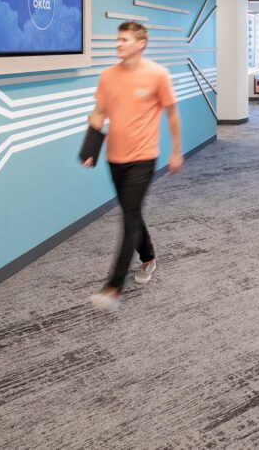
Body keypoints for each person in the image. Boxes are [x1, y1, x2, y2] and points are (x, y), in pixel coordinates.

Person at [84, 21, 184, 310]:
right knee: (132, 211)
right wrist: (90, 147)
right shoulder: (107, 76)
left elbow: (172, 115)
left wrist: (176, 150)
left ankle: (113, 286)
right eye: (118, 39)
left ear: (141, 43)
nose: (119, 44)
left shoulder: (157, 75)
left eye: (124, 40)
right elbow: (98, 113)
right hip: (115, 157)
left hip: (143, 157)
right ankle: (149, 256)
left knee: (128, 216)